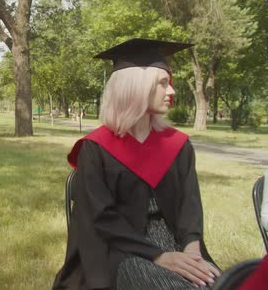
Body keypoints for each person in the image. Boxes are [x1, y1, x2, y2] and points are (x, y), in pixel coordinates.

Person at [53, 38, 220, 290]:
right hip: (121, 248)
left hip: (176, 241)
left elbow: (190, 205)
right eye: (163, 83)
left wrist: (193, 250)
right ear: (135, 88)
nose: (172, 91)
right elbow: (100, 218)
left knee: (220, 283)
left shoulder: (178, 145)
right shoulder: (96, 149)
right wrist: (160, 257)